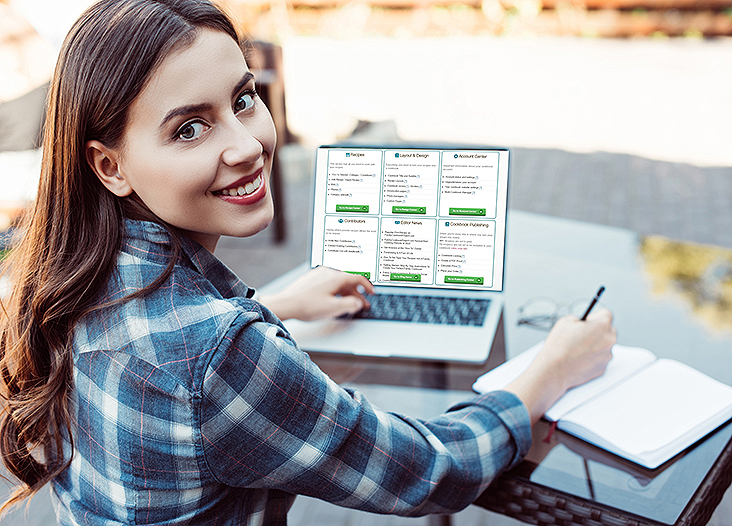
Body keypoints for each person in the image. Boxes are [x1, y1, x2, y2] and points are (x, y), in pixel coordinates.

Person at [0, 1, 616, 524]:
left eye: (243, 99)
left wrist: (280, 305)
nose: (246, 146)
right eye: (189, 129)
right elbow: (425, 471)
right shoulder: (220, 356)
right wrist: (550, 372)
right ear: (109, 166)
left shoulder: (67, 280)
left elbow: (171, 361)